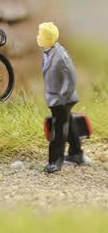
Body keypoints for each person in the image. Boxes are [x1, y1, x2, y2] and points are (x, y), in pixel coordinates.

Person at [37, 22, 89, 173]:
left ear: (47, 38)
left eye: (40, 34)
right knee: (68, 123)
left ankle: (55, 161)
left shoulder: (60, 56)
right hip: (56, 98)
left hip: (62, 100)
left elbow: (71, 77)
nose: (38, 37)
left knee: (58, 130)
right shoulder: (48, 52)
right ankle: (76, 153)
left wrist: (62, 97)